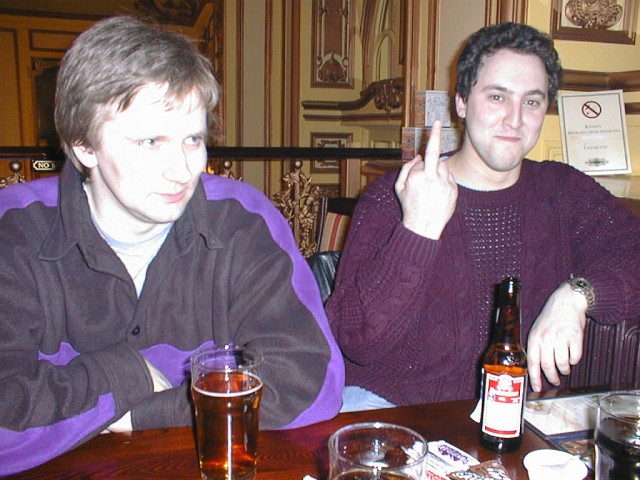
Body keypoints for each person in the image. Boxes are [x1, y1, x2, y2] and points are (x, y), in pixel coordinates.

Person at [0, 16, 343, 476]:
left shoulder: (243, 220)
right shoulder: (14, 232)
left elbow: (312, 382)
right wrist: (122, 374)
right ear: (83, 145)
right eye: (150, 141)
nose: (182, 170)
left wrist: (134, 412)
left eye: (193, 140)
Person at [327, 22, 640, 411]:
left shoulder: (563, 191)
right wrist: (418, 230)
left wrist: (578, 295)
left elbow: (632, 249)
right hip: (397, 408)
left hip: (521, 412)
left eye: (532, 102)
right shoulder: (394, 194)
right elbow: (356, 342)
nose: (514, 119)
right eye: (497, 97)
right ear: (461, 102)